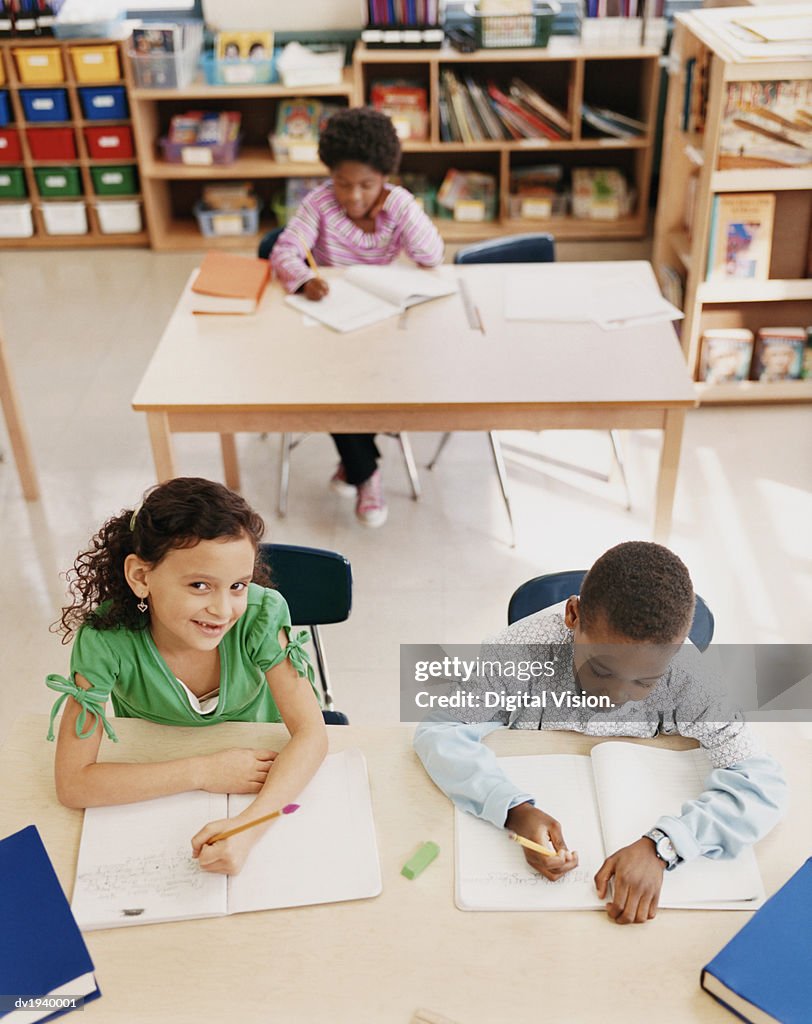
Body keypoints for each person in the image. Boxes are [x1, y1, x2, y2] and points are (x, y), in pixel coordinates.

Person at [413, 542, 787, 925]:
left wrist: (664, 846)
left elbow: (763, 784)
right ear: (573, 615)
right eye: (602, 672)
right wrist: (512, 809)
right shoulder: (518, 654)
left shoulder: (691, 677)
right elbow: (441, 728)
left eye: (645, 681)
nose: (617, 696)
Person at [46, 477, 327, 876]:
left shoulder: (259, 616)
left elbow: (312, 733)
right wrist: (203, 771)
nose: (223, 610)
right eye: (200, 585)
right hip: (158, 770)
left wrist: (249, 827)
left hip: (259, 773)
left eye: (237, 586)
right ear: (141, 577)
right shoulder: (105, 641)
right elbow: (72, 784)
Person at [271, 106, 444, 528]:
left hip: (384, 320)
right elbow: (284, 251)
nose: (353, 196)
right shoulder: (320, 203)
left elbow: (432, 256)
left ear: (385, 177)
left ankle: (354, 465)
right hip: (332, 321)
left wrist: (401, 208)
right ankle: (368, 474)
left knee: (375, 382)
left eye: (367, 184)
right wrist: (305, 279)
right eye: (343, 183)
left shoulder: (397, 205)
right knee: (334, 390)